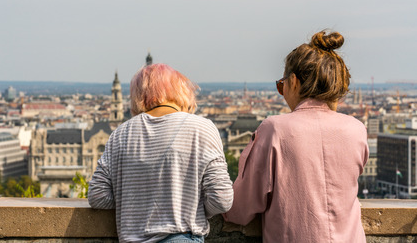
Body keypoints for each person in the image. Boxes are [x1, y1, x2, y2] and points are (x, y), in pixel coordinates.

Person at [224, 30, 369, 242]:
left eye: (281, 86)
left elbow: (240, 209)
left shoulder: (275, 129)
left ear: (293, 81)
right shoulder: (356, 129)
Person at [88, 63, 233, 243]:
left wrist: (135, 202)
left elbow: (98, 196)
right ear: (182, 92)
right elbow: (222, 200)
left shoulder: (120, 134)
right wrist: (191, 206)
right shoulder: (201, 128)